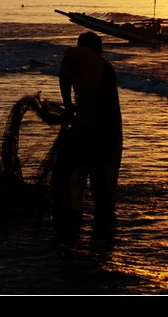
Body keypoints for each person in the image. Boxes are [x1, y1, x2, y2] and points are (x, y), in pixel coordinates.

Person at [53, 31, 123, 229]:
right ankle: (104, 219)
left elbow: (65, 74)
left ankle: (71, 217)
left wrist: (67, 105)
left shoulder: (78, 54)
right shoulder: (105, 65)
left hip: (89, 126)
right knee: (101, 174)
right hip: (112, 130)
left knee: (68, 168)